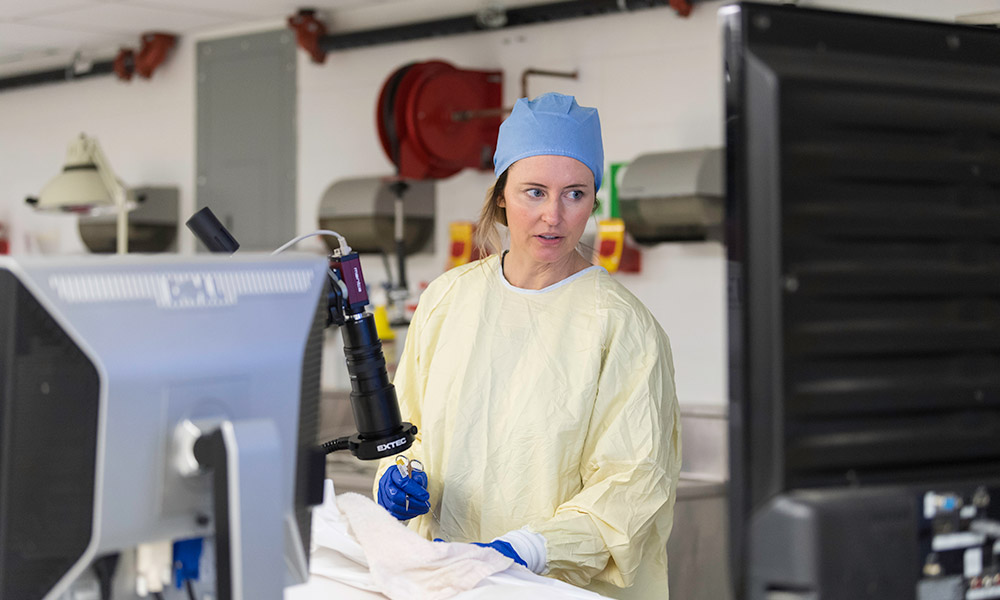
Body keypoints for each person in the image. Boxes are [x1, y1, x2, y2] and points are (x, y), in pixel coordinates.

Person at [374, 92, 681, 600]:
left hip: (551, 588)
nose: (554, 217)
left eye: (575, 194)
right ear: (500, 195)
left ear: (594, 200)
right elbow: (408, 428)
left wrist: (532, 550)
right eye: (534, 192)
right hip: (444, 580)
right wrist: (401, 473)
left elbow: (632, 486)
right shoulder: (449, 299)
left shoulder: (623, 328)